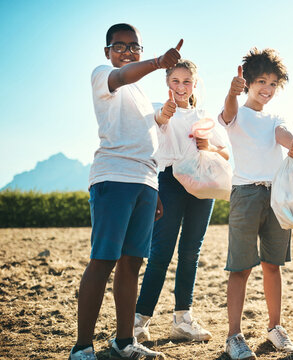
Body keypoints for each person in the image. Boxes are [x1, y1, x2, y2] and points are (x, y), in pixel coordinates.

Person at [69, 23, 183, 360]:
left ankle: (122, 342)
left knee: (132, 262)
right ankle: (82, 346)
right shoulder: (104, 75)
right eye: (119, 46)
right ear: (107, 51)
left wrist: (155, 188)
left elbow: (147, 142)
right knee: (103, 260)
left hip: (145, 182)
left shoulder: (143, 96)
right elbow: (124, 75)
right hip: (113, 178)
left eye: (134, 46)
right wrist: (159, 62)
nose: (127, 51)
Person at [133, 59, 229, 343]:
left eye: (187, 81)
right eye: (176, 81)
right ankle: (139, 320)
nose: (181, 87)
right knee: (161, 252)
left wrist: (208, 146)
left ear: (195, 84)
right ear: (167, 82)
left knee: (191, 253)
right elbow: (158, 125)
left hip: (202, 185)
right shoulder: (158, 110)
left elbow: (224, 155)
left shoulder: (203, 115)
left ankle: (182, 319)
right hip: (169, 183)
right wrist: (164, 115)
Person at [219, 48, 293, 360]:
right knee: (240, 267)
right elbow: (227, 114)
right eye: (262, 82)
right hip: (245, 194)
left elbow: (283, 134)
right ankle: (234, 336)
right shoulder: (237, 112)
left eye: (273, 84)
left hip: (276, 194)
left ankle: (275, 327)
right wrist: (231, 91)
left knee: (272, 265)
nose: (267, 89)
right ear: (248, 82)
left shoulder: (275, 117)